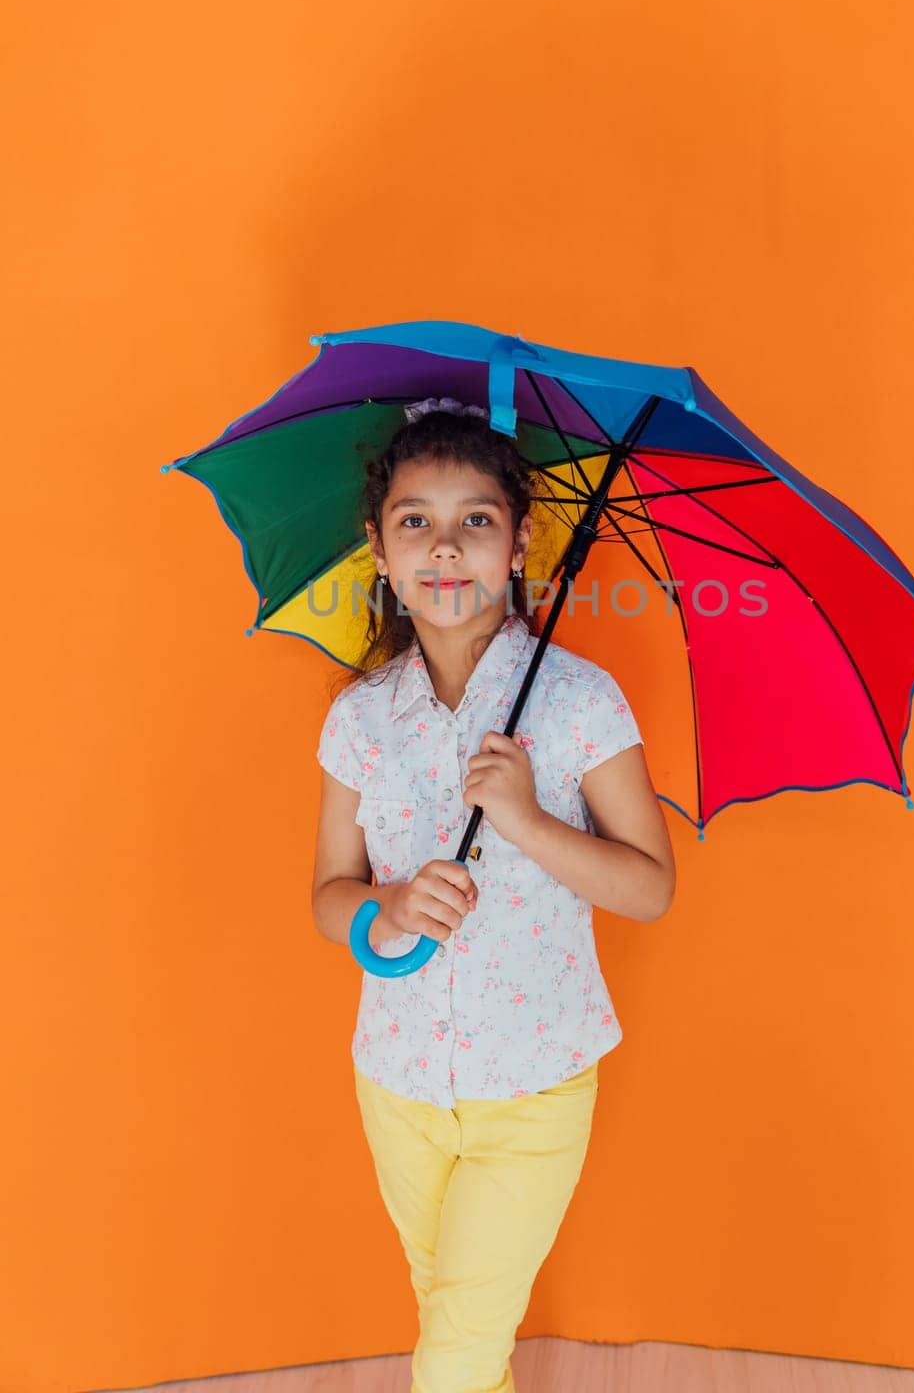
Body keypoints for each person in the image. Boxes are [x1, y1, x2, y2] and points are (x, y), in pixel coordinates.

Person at [311, 396, 675, 1393]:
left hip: (534, 1081)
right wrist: (377, 910)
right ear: (379, 551)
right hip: (396, 1077)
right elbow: (326, 893)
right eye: (414, 520)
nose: (444, 546)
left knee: (458, 1342)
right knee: (449, 1301)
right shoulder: (359, 718)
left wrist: (525, 820)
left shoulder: (574, 700)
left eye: (475, 519)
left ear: (518, 543)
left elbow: (647, 890)